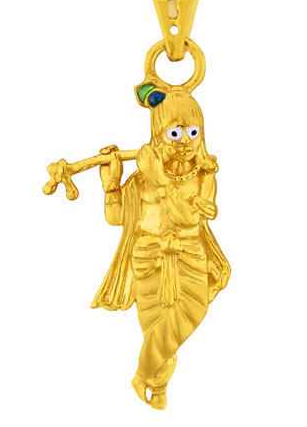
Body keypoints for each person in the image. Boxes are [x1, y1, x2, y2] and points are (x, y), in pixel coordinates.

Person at [91, 86, 230, 409]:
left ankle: (141, 376)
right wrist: (111, 186)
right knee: (159, 333)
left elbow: (189, 218)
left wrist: (162, 181)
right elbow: (117, 218)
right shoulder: (140, 180)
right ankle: (159, 389)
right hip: (147, 259)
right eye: (175, 133)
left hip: (190, 257)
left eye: (193, 133)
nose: (185, 142)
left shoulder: (204, 177)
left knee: (192, 313)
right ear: (158, 134)